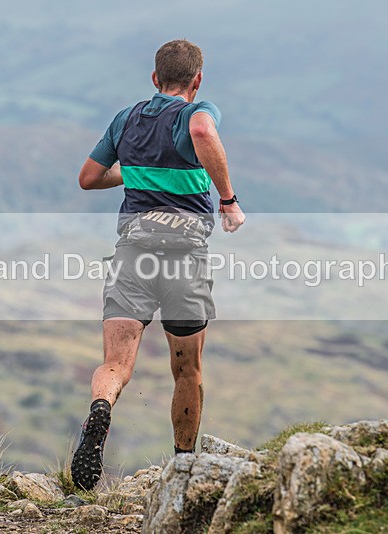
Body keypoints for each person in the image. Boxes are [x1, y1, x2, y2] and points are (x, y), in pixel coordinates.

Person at [72, 39, 245, 490]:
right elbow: (205, 133)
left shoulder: (126, 118)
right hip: (184, 259)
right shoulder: (196, 111)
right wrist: (228, 200)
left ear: (154, 79)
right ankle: (183, 466)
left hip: (133, 255)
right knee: (186, 369)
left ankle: (102, 407)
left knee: (117, 364)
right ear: (197, 80)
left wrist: (130, 170)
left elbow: (88, 178)